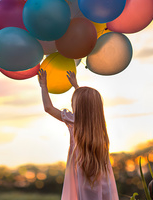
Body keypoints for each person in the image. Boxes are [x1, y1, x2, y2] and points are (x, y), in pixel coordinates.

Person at [38, 69, 119, 200]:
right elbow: (88, 104)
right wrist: (76, 86)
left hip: (81, 165)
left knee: (84, 195)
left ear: (78, 105)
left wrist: (43, 86)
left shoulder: (74, 120)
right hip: (100, 167)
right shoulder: (98, 123)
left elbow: (48, 108)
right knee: (101, 193)